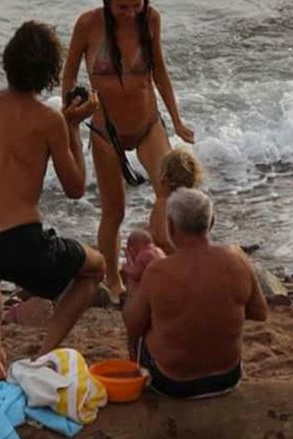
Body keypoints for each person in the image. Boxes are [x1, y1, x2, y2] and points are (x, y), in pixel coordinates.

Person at [0, 21, 106, 380]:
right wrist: (72, 126)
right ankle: (41, 357)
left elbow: (6, 145)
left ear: (8, 62)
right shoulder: (50, 120)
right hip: (22, 245)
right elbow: (75, 188)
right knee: (95, 268)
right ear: (50, 74)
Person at [63, 0, 195, 303]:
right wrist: (71, 113)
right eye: (122, 7)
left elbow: (159, 70)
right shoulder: (88, 24)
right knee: (114, 212)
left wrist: (176, 120)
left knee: (171, 194)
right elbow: (68, 76)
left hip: (148, 124)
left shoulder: (150, 19)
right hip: (105, 131)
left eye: (136, 5)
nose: (130, 13)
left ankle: (171, 265)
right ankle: (113, 282)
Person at [122, 188, 268, 398]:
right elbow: (260, 312)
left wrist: (134, 284)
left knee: (138, 322)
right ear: (211, 221)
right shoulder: (237, 258)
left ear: (171, 226)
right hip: (227, 377)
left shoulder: (157, 272)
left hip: (172, 384)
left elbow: (133, 325)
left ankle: (138, 384)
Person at [121, 229, 166, 301]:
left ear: (133, 248)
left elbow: (136, 274)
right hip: (164, 284)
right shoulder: (159, 251)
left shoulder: (142, 255)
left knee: (132, 280)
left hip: (153, 289)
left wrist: (126, 268)